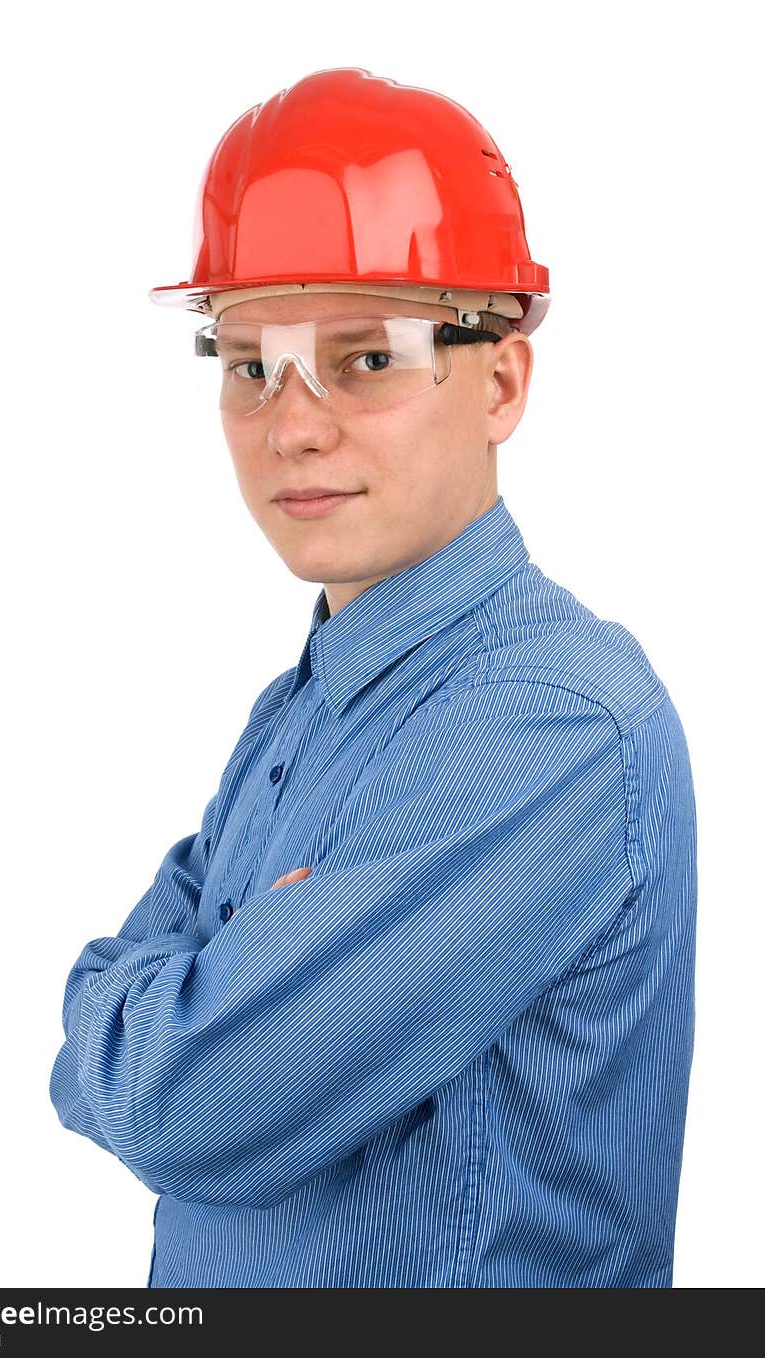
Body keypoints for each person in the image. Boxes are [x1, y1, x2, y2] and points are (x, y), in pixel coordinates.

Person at [49, 67, 697, 1289]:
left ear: (499, 381)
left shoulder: (548, 721)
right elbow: (141, 1033)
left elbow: (178, 1099)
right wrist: (158, 1003)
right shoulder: (305, 697)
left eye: (364, 358)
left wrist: (142, 1007)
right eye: (249, 364)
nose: (290, 424)